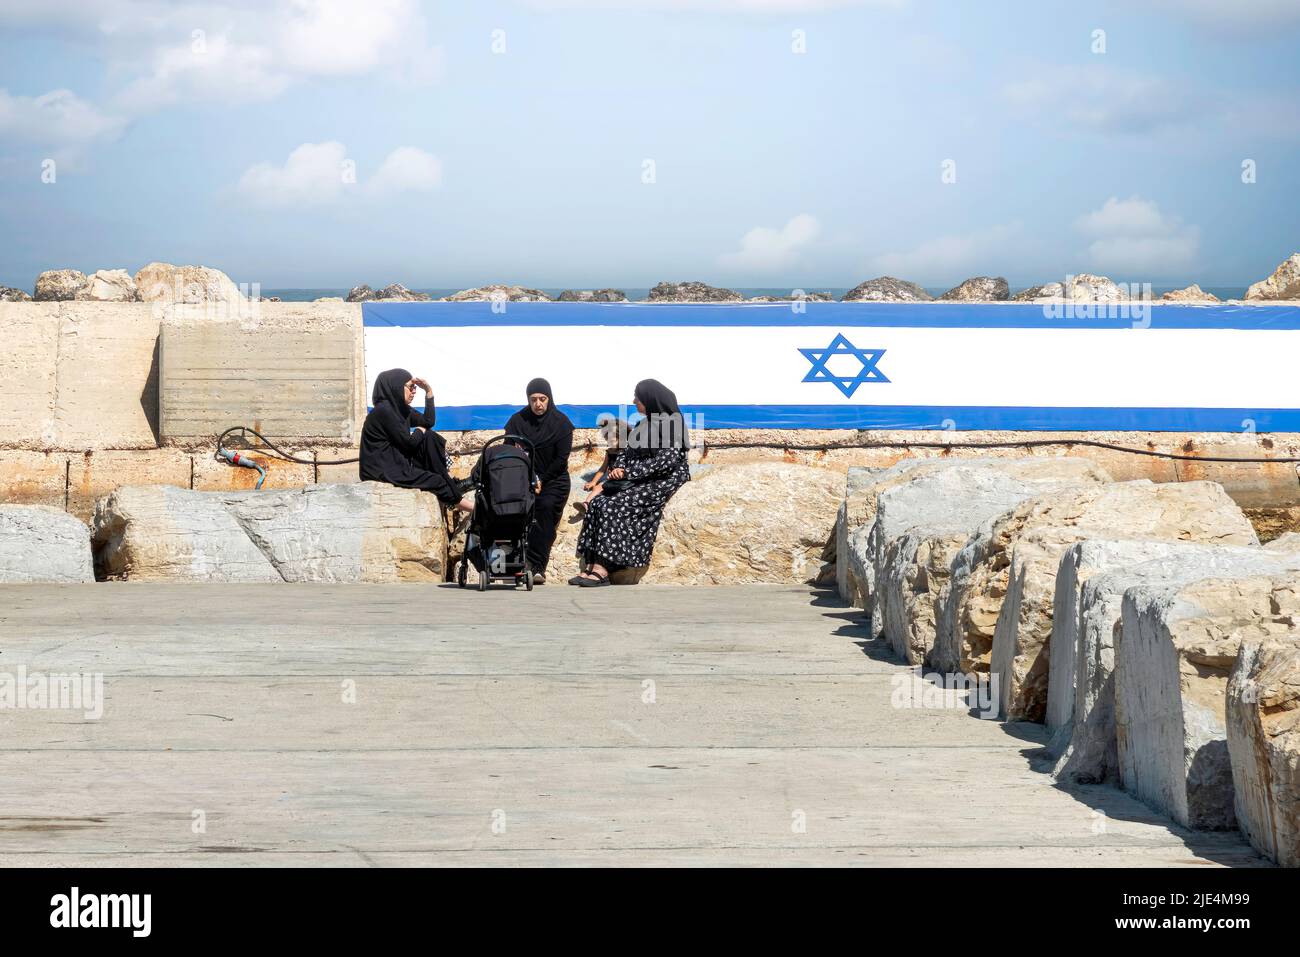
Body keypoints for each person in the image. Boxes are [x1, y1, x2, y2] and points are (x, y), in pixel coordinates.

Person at [571, 379, 691, 587]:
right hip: (638, 475)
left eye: (637, 397)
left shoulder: (673, 423)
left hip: (661, 479)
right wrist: (619, 468)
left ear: (650, 400)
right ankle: (591, 565)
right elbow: (627, 452)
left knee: (615, 505)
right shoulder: (642, 424)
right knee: (598, 503)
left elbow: (667, 460)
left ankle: (604, 569)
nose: (634, 401)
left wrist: (629, 472)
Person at [360, 368, 473, 513]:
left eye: (415, 388)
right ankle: (473, 509)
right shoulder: (384, 411)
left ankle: (449, 483)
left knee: (431, 438)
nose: (414, 391)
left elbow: (428, 421)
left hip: (397, 463)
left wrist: (429, 392)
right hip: (383, 470)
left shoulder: (400, 409)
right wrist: (420, 429)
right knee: (436, 481)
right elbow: (409, 443)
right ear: (395, 387)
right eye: (410, 387)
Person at [503, 377, 574, 584]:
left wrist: (541, 479)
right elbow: (507, 450)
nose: (538, 404)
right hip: (525, 479)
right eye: (533, 399)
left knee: (543, 508)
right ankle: (509, 563)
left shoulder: (561, 424)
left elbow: (561, 460)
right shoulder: (518, 421)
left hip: (554, 481)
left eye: (542, 399)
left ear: (549, 398)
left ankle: (535, 566)